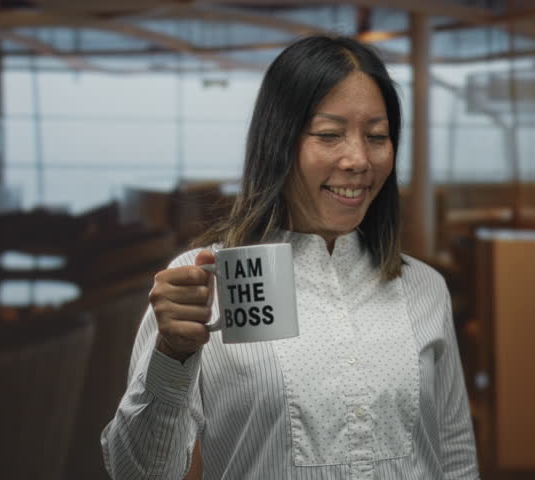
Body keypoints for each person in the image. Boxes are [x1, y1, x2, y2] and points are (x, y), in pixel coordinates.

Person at [101, 35, 479, 480]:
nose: (358, 159)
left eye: (377, 136)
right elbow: (138, 474)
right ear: (278, 142)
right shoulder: (203, 284)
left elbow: (454, 455)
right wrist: (171, 354)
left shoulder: (423, 287)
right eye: (329, 134)